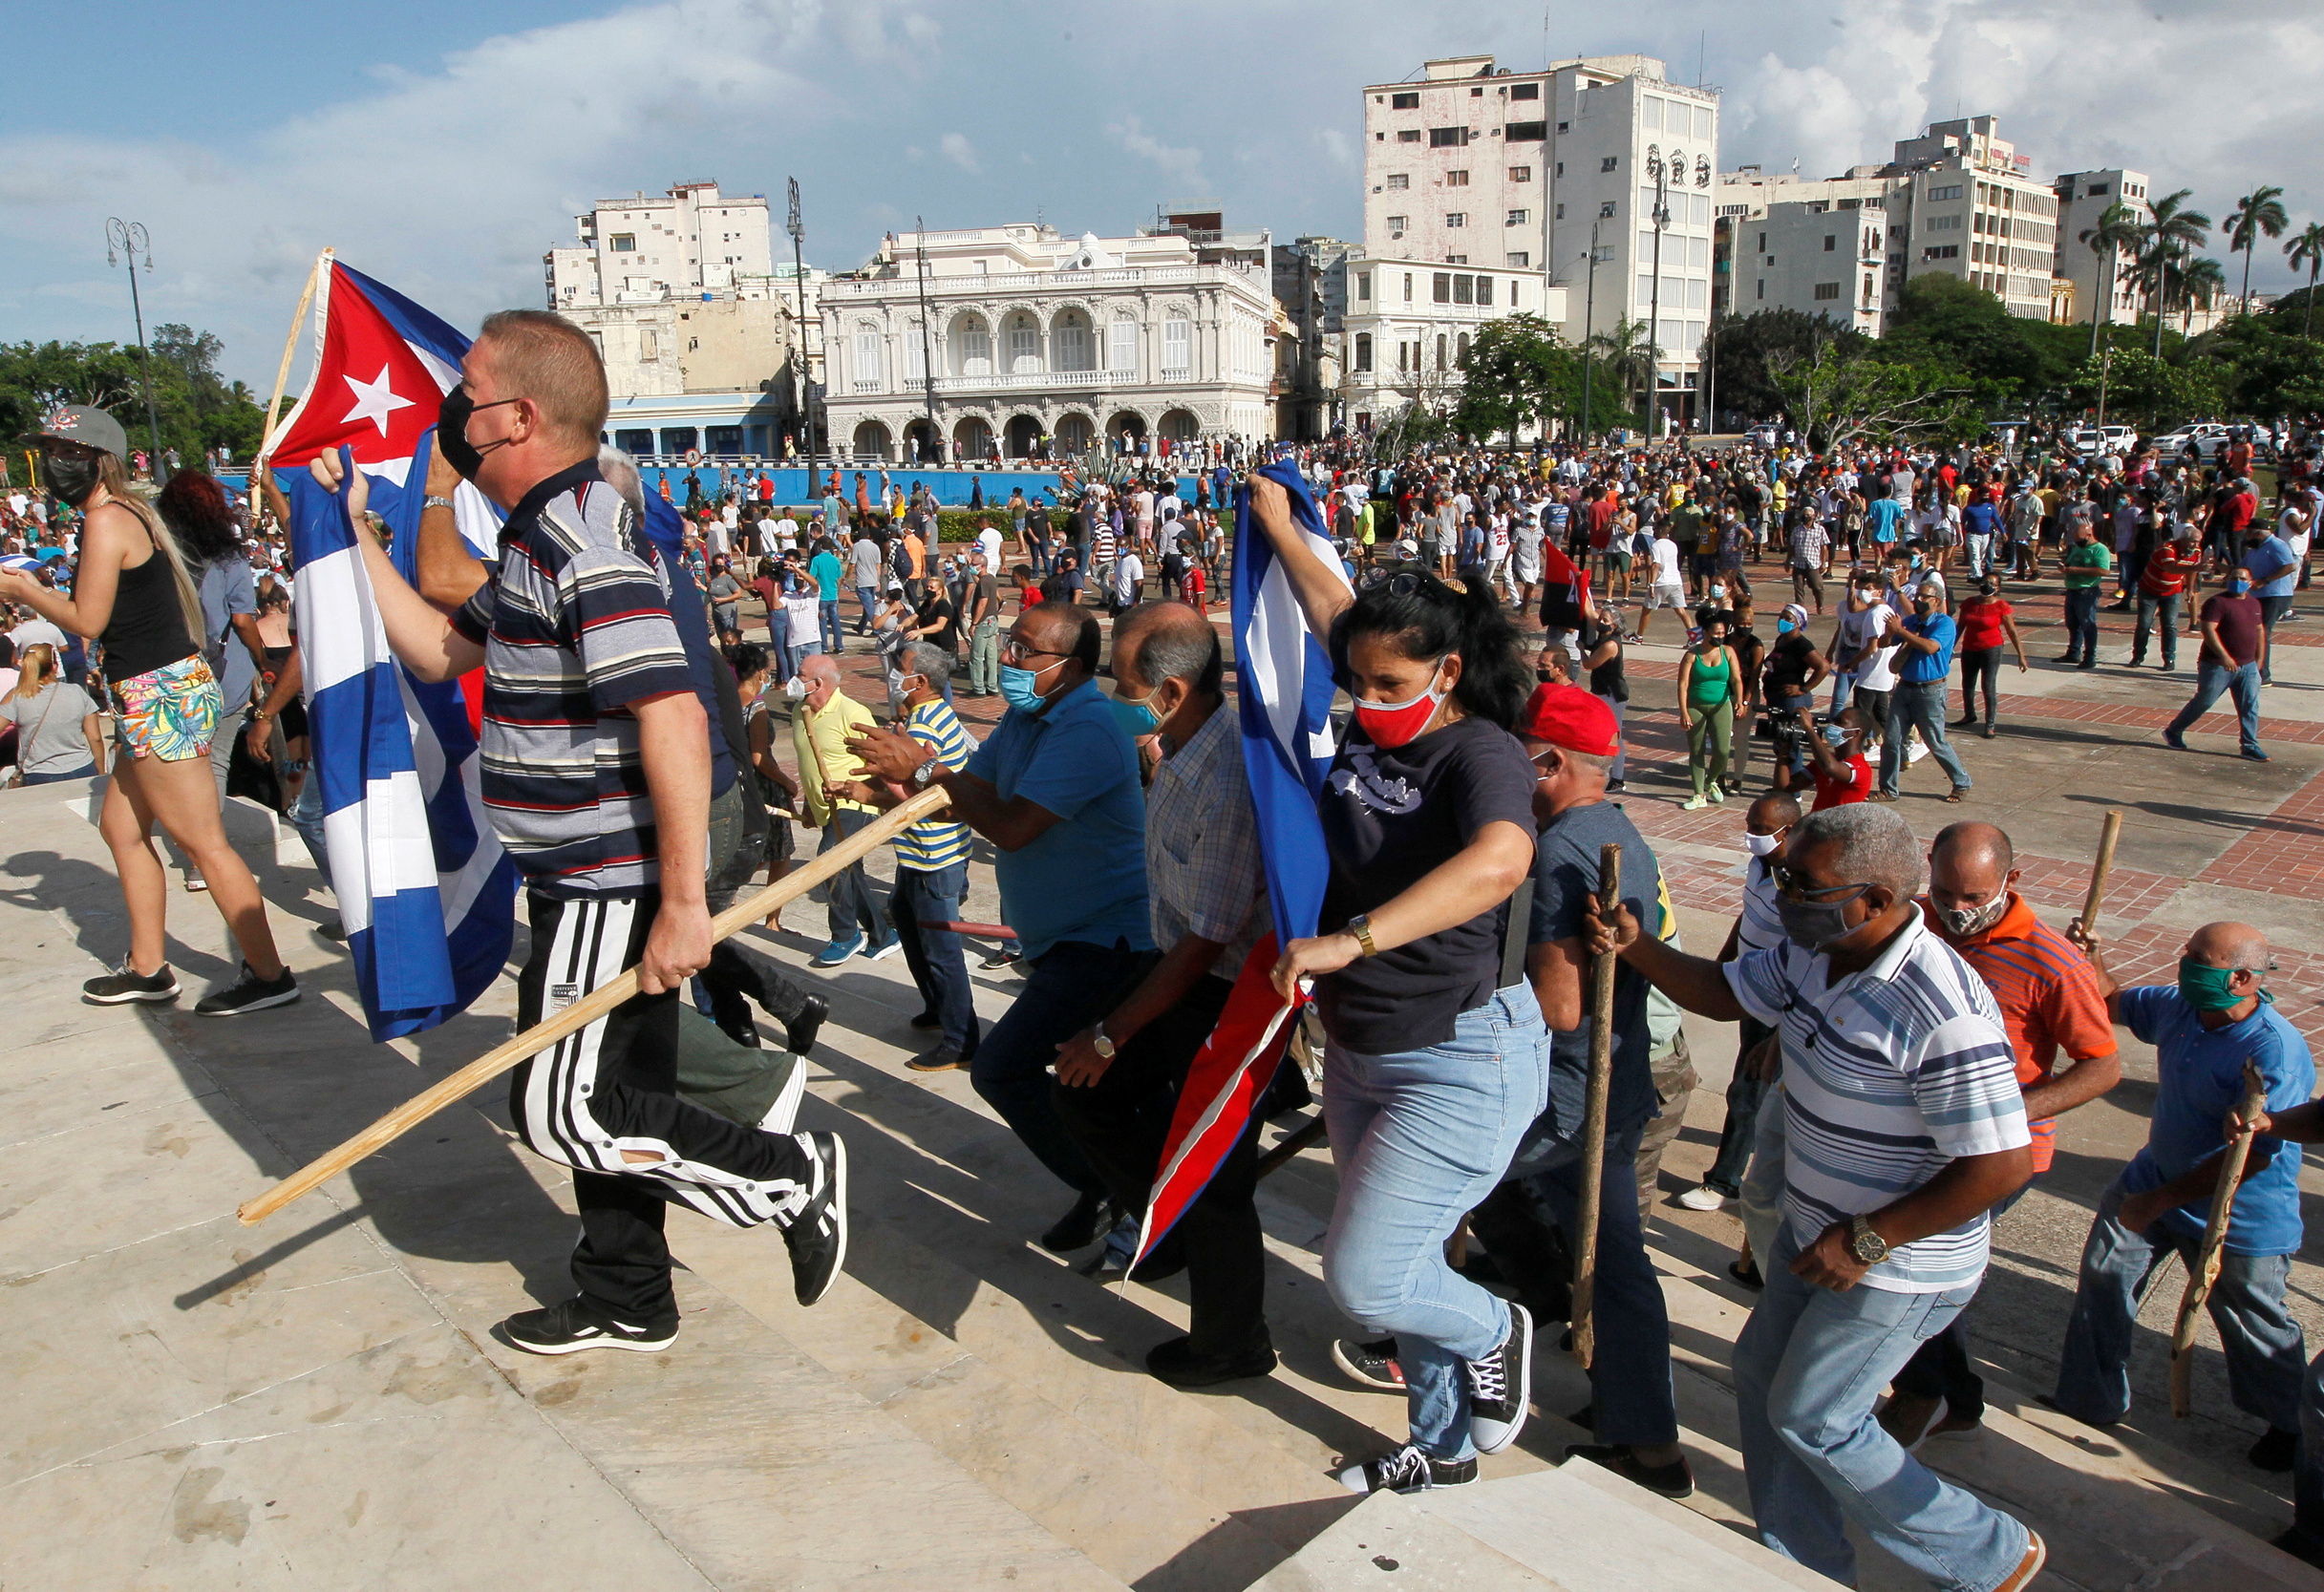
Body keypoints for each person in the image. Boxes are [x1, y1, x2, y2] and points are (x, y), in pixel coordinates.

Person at [312, 310, 844, 1353]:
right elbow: (432, 648)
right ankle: (628, 1292)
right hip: (567, 875)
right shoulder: (530, 541)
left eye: (466, 393)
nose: (451, 412)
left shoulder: (586, 546)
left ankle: (787, 1175)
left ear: (515, 418)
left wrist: (685, 905)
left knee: (560, 1108)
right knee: (621, 1091)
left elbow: (676, 714)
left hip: (606, 877)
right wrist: (354, 531)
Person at [1588, 802, 2044, 1592]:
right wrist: (1640, 948)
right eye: (1781, 871)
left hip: (1896, 1263)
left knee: (1818, 1417)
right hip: (1817, 1229)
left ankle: (1988, 1553)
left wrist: (1870, 1237)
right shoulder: (1813, 948)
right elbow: (1727, 992)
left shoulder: (1940, 1007)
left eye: (1802, 881)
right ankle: (1801, 1562)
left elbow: (1998, 1164)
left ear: (1874, 899)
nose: (1781, 889)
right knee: (1762, 1377)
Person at [1246, 476, 1547, 1497]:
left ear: (1447, 671)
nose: (1364, 702)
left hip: (1461, 1054)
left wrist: (1354, 937)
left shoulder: (1480, 752)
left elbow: (1501, 862)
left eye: (1386, 687)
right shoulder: (1374, 680)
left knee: (1368, 1277)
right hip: (1364, 1048)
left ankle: (1497, 1326)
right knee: (1410, 1255)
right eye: (1355, 684)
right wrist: (1282, 527)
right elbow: (1338, 612)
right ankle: (1445, 1438)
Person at [849, 601, 1153, 1253]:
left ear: (1069, 667)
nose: (1006, 660)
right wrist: (886, 790)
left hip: (1106, 939)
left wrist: (928, 768)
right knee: (1078, 1086)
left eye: (1023, 650)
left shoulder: (1090, 728)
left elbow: (1012, 827)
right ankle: (1109, 1188)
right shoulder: (1023, 718)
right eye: (1009, 644)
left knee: (1003, 1067)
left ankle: (1125, 1195)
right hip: (1057, 938)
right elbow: (967, 798)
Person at [0, 407, 297, 1015]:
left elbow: (88, 621)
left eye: (64, 450)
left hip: (157, 693)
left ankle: (269, 975)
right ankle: (147, 965)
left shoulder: (107, 520)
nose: (54, 463)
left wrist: (26, 590)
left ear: (97, 457)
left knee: (202, 843)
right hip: (158, 690)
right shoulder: (128, 513)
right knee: (121, 828)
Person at [1051, 603, 1275, 1388]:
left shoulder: (1229, 778)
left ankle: (1231, 1340)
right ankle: (1164, 1222)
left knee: (1214, 1174)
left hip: (1225, 996)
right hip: (1172, 970)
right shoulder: (1177, 746)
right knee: (1082, 1095)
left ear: (1172, 691)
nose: (1116, 698)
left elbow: (1208, 937)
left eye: (1124, 685)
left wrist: (1110, 1032)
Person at [1879, 822, 2120, 1447]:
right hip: (1917, 1134)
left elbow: (2101, 1064)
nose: (1956, 911)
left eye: (1972, 897)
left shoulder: (2050, 960)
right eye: (1945, 893)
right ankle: (1957, 1394)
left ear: (2009, 882)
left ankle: (1922, 1389)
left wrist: (2010, 1108)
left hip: (1998, 1150)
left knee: (1922, 1259)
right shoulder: (1912, 924)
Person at [1507, 684, 1692, 1497]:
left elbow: (1560, 1003)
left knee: (1428, 1182)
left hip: (1568, 1088)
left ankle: (1648, 1440)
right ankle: (1641, 1424)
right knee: (1613, 1260)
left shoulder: (1558, 851)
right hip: (1607, 1083)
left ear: (1548, 761)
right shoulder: (1610, 828)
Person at [2049, 919, 2311, 1467]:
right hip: (2156, 1176)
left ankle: (2294, 1426)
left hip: (2241, 1211)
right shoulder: (2180, 1007)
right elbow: (2114, 1001)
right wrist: (2089, 959)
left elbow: (2256, 1156)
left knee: (2252, 1323)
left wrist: (2161, 1202)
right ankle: (2090, 1399)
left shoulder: (2274, 1052)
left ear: (2241, 978)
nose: (2183, 962)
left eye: (2197, 958)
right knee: (2105, 1274)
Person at [848, 641, 979, 1072]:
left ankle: (961, 1038)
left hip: (932, 853)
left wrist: (866, 792)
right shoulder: (935, 713)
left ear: (919, 681)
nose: (893, 677)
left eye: (899, 670)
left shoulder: (924, 723)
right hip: (928, 850)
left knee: (941, 947)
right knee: (905, 917)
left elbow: (910, 791)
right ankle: (939, 1008)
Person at [1678, 790, 1796, 1216]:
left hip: (1776, 1003)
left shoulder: (1797, 884)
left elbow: (1808, 955)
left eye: (1762, 831)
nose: (1752, 837)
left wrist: (1782, 1030)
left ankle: (1724, 1182)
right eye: (1749, 827)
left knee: (1749, 1090)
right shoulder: (1760, 866)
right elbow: (1747, 915)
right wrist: (1726, 957)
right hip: (1749, 986)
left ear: (1790, 831)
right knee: (1750, 1088)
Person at [790, 653, 899, 966]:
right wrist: (812, 806)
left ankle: (844, 934)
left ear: (818, 683)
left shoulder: (852, 713)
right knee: (850, 871)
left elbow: (881, 762)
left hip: (857, 804)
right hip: (826, 809)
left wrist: (869, 794)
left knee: (830, 860)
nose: (794, 680)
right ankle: (883, 935)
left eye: (800, 674)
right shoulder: (801, 711)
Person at [1875, 581, 1972, 803]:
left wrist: (1902, 632)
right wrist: (1892, 633)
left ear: (1936, 601)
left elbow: (1929, 647)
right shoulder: (1910, 621)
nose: (1918, 600)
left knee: (1934, 740)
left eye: (1924, 597)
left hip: (1930, 690)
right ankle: (1888, 789)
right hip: (1905, 687)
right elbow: (1883, 643)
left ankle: (1961, 781)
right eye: (1917, 595)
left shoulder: (1944, 624)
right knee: (1891, 739)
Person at [2163, 564, 2268, 762]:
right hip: (2217, 665)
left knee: (2250, 706)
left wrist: (2259, 659)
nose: (2238, 582)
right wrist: (2225, 656)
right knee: (2204, 701)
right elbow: (2209, 630)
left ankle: (2250, 745)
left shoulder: (2254, 603)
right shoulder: (2217, 603)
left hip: (2248, 666)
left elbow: (2260, 631)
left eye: (2243, 579)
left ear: (2251, 583)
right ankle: (2174, 731)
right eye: (2234, 577)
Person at [1, 641, 103, 784]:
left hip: (39, 772)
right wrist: (100, 770)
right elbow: (95, 738)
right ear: (54, 667)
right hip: (82, 767)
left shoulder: (16, 696)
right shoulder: (76, 691)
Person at [1677, 608, 1741, 810]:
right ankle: (1698, 794)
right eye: (1716, 633)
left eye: (1723, 634)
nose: (1720, 637)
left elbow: (1736, 679)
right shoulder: (1691, 655)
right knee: (1696, 751)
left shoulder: (1728, 652)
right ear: (1705, 632)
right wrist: (1684, 712)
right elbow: (1682, 685)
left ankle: (1711, 780)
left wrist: (1740, 700)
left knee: (1722, 750)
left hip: (1721, 706)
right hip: (1695, 706)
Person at [1951, 578, 2026, 737]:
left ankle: (1990, 724)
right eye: (1985, 582)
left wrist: (2021, 655)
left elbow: (2012, 631)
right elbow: (1960, 626)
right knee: (1968, 683)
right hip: (1970, 648)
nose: (1987, 585)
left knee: (1988, 685)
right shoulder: (1969, 603)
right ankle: (1969, 714)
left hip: (1991, 649)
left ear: (1998, 588)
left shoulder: (2001, 606)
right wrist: (1950, 648)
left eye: (1992, 583)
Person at [2131, 529, 2199, 671]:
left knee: (2170, 624)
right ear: (2183, 540)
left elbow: (2191, 570)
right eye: (2193, 541)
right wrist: (2198, 566)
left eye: (2198, 541)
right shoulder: (2166, 549)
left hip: (2172, 592)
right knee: (2145, 623)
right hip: (2149, 590)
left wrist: (2190, 589)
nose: (2195, 544)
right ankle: (2138, 656)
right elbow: (2171, 568)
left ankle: (2169, 658)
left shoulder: (2196, 552)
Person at [2059, 515, 2112, 669]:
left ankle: (2090, 656)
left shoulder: (2099, 549)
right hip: (2072, 589)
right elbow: (2070, 562)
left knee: (2088, 623)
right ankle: (2073, 652)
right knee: (2073, 623)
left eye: (2080, 539)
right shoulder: (2078, 547)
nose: (2077, 542)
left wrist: (2075, 570)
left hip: (2087, 590)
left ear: (2089, 535)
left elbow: (2103, 571)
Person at [964, 548, 1001, 697]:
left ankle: (978, 688)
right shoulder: (990, 578)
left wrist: (974, 623)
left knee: (976, 656)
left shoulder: (984, 582)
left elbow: (982, 602)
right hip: (993, 621)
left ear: (982, 565)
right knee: (991, 656)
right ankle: (992, 686)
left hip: (984, 622)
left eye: (974, 564)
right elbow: (979, 582)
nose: (972, 565)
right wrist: (969, 569)